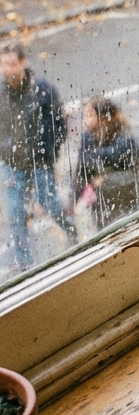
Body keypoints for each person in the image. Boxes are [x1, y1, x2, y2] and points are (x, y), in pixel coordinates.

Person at [0, 43, 76, 271]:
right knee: (15, 213)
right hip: (11, 163)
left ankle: (71, 231)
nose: (9, 70)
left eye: (13, 64)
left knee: (50, 205)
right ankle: (25, 265)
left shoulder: (43, 90)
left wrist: (47, 154)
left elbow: (59, 125)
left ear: (23, 63)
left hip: (40, 161)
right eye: (4, 65)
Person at [73, 98, 139, 230]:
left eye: (90, 115)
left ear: (103, 118)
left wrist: (100, 172)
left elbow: (124, 156)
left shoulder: (122, 134)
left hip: (125, 190)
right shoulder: (87, 138)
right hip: (102, 200)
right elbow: (82, 167)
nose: (85, 120)